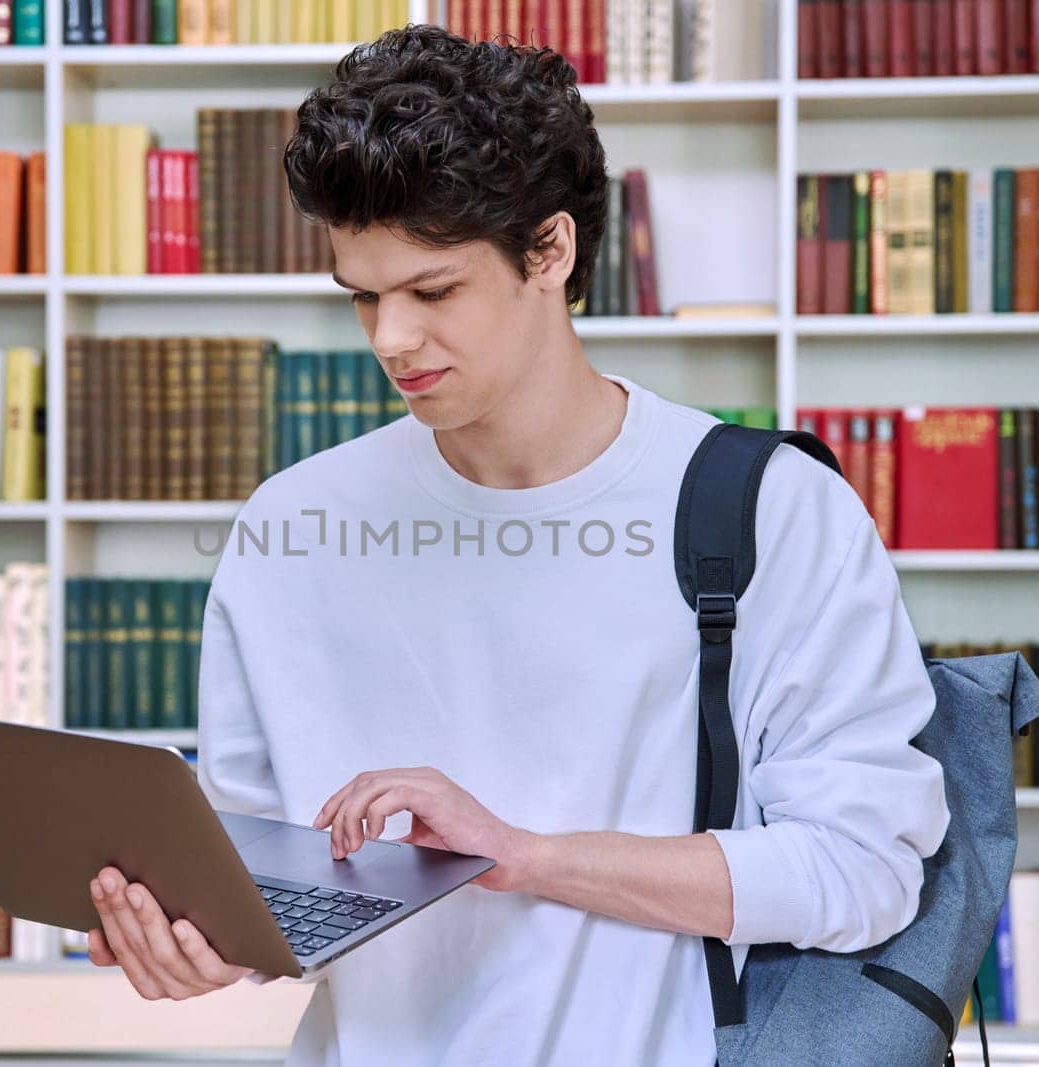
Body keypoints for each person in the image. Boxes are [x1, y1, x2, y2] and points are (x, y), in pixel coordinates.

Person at [85, 23, 950, 1066]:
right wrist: (208, 942)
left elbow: (862, 869)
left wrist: (527, 854)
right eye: (363, 294)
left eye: (431, 291)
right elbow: (270, 876)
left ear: (550, 249)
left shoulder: (767, 508)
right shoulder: (288, 525)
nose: (388, 340)